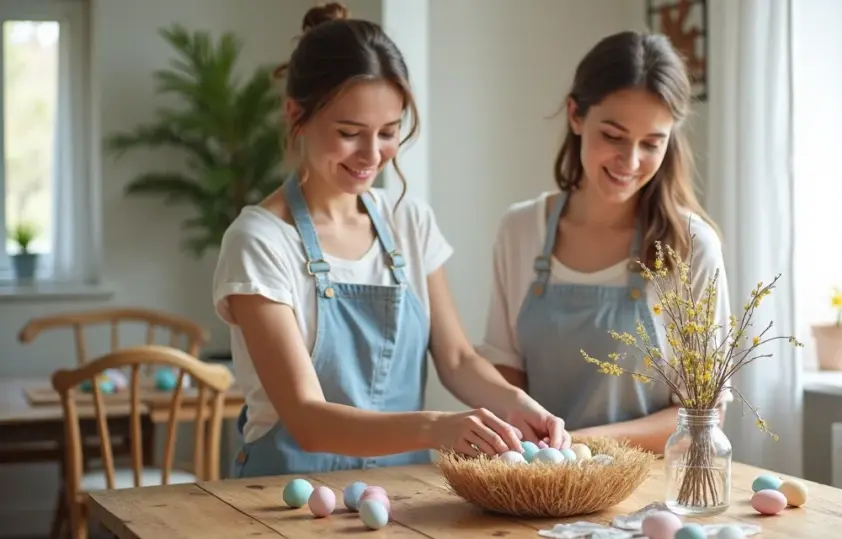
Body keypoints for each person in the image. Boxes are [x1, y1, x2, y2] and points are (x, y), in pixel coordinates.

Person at [212, 2, 567, 478]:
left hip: (400, 494)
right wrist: (436, 428)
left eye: (388, 132)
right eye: (350, 133)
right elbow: (306, 419)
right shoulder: (259, 241)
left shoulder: (408, 221)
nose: (371, 155)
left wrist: (516, 403)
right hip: (279, 498)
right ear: (295, 114)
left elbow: (457, 358)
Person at [477, 31, 732, 454]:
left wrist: (577, 445)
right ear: (576, 115)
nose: (630, 162)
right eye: (613, 136)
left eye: (652, 144)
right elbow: (505, 372)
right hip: (539, 478)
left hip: (648, 483)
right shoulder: (520, 230)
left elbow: (701, 415)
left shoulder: (691, 247)